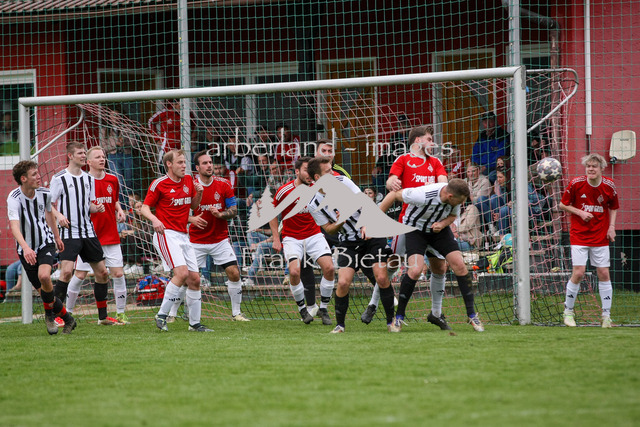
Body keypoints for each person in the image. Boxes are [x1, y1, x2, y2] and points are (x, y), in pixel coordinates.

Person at [361, 125, 449, 328]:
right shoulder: (403, 160)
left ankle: (436, 313)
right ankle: (373, 304)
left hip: (433, 223)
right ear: (418, 140)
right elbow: (391, 180)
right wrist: (392, 183)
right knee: (392, 264)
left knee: (440, 266)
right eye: (429, 139)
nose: (433, 143)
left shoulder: (435, 162)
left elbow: (444, 183)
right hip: (408, 223)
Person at [379, 178, 484, 332]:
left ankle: (472, 315)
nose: (462, 204)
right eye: (460, 201)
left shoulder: (455, 197)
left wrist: (442, 224)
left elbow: (452, 216)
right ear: (450, 196)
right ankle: (399, 317)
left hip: (439, 231)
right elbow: (394, 194)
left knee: (459, 265)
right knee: (415, 270)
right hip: (415, 230)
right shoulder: (422, 194)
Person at [306, 156, 396, 333]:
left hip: (372, 234)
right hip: (348, 242)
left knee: (381, 277)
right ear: (317, 178)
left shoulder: (343, 181)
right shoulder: (313, 203)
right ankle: (340, 325)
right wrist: (340, 221)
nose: (333, 173)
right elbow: (329, 229)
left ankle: (391, 322)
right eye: (328, 171)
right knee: (343, 282)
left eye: (332, 169)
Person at [171, 150, 249, 322]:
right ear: (197, 168)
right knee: (184, 278)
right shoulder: (190, 186)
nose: (209, 166)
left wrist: (221, 214)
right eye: (205, 163)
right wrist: (192, 219)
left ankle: (236, 313)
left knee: (234, 273)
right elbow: (177, 213)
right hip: (195, 241)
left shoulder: (224, 184)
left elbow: (234, 210)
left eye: (210, 162)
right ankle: (172, 314)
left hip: (219, 240)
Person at [140, 149, 211, 332]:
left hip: (183, 235)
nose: (184, 165)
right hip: (166, 234)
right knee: (181, 273)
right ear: (169, 164)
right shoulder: (159, 184)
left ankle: (194, 324)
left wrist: (199, 194)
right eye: (180, 162)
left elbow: (193, 205)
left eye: (184, 162)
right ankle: (162, 315)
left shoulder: (188, 180)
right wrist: (154, 220)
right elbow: (144, 208)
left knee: (195, 279)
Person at [8, 161, 76, 334]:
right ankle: (68, 320)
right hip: (25, 250)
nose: (39, 177)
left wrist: (57, 237)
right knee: (45, 292)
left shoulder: (45, 193)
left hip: (45, 242)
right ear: (23, 179)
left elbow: (49, 215)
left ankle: (49, 316)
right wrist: (26, 248)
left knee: (45, 276)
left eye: (38, 173)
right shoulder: (14, 198)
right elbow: (14, 227)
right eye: (34, 175)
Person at [63, 147, 129, 324]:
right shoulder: (83, 181)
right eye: (97, 157)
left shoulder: (112, 179)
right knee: (80, 275)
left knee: (118, 274)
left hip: (110, 235)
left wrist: (119, 210)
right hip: (89, 236)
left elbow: (114, 199)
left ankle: (121, 313)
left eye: (103, 156)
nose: (102, 159)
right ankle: (66, 313)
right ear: (89, 162)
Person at [50, 142, 113, 326]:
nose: (84, 156)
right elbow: (48, 205)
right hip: (69, 232)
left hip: (88, 232)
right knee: (66, 273)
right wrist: (59, 215)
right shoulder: (59, 178)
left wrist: (97, 208)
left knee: (102, 273)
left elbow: (89, 205)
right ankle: (56, 316)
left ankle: (102, 317)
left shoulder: (88, 178)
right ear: (70, 156)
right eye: (80, 153)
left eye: (85, 153)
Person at [269, 156, 335, 325]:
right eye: (306, 170)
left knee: (329, 268)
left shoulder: (318, 188)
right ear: (297, 171)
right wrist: (276, 238)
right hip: (292, 238)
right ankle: (302, 309)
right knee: (294, 272)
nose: (309, 174)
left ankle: (324, 309)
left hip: (314, 235)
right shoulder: (284, 191)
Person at [559, 153, 619, 328]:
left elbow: (614, 207)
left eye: (594, 166)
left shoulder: (609, 185)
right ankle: (568, 312)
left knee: (604, 273)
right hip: (579, 235)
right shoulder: (576, 183)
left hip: (600, 236)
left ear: (601, 168)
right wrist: (580, 212)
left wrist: (612, 227)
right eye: (588, 166)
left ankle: (606, 316)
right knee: (578, 273)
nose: (590, 169)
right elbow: (562, 204)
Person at [471, 112, 510, 183]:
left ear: (495, 121)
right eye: (485, 122)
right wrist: (476, 165)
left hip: (496, 167)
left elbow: (501, 156)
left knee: (491, 176)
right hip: (480, 167)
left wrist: (486, 166)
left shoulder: (502, 135)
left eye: (490, 121)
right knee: (470, 173)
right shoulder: (482, 136)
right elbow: (475, 153)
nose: (488, 125)